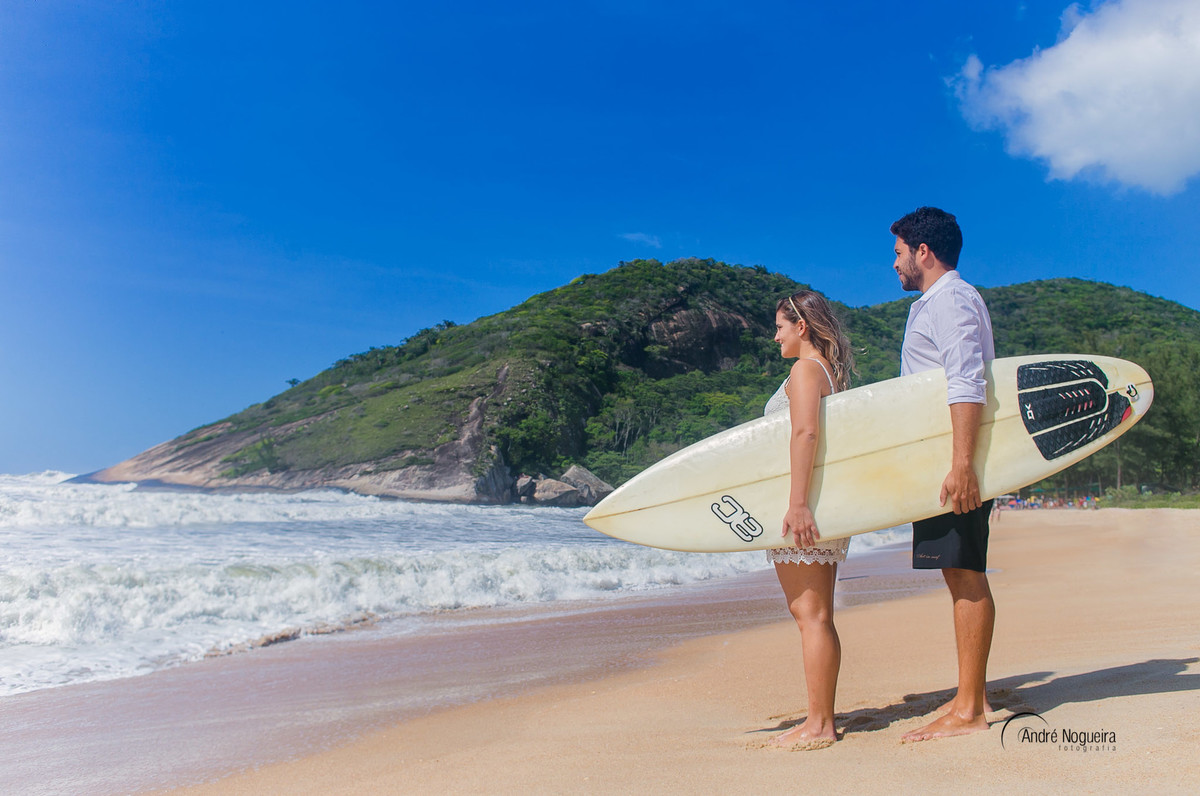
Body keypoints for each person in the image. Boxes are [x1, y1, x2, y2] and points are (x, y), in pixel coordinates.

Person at [889, 206, 996, 742]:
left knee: (964, 571)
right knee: (958, 571)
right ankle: (969, 695)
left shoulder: (951, 299)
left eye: (899, 252)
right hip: (943, 461)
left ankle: (971, 707)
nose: (895, 264)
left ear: (923, 252)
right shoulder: (937, 301)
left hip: (956, 464)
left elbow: (967, 380)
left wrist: (962, 465)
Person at [764, 289, 856, 750]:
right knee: (815, 614)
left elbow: (805, 433)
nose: (775, 335)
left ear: (801, 327)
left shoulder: (804, 369)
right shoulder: (826, 372)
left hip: (806, 511)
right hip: (818, 508)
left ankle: (820, 724)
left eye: (780, 326)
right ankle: (821, 716)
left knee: (811, 615)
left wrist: (797, 503)